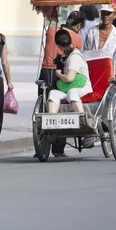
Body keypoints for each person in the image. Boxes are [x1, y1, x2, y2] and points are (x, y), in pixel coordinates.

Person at [37, 11, 84, 157]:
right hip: (59, 74)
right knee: (61, 105)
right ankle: (58, 149)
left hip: (45, 71)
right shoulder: (77, 38)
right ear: (79, 25)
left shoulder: (51, 30)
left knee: (44, 105)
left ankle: (41, 144)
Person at [47, 29, 92, 157]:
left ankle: (83, 123)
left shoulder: (75, 57)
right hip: (69, 88)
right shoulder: (66, 56)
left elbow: (69, 78)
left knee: (72, 92)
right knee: (53, 94)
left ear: (59, 46)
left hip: (81, 87)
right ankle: (52, 127)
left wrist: (58, 74)